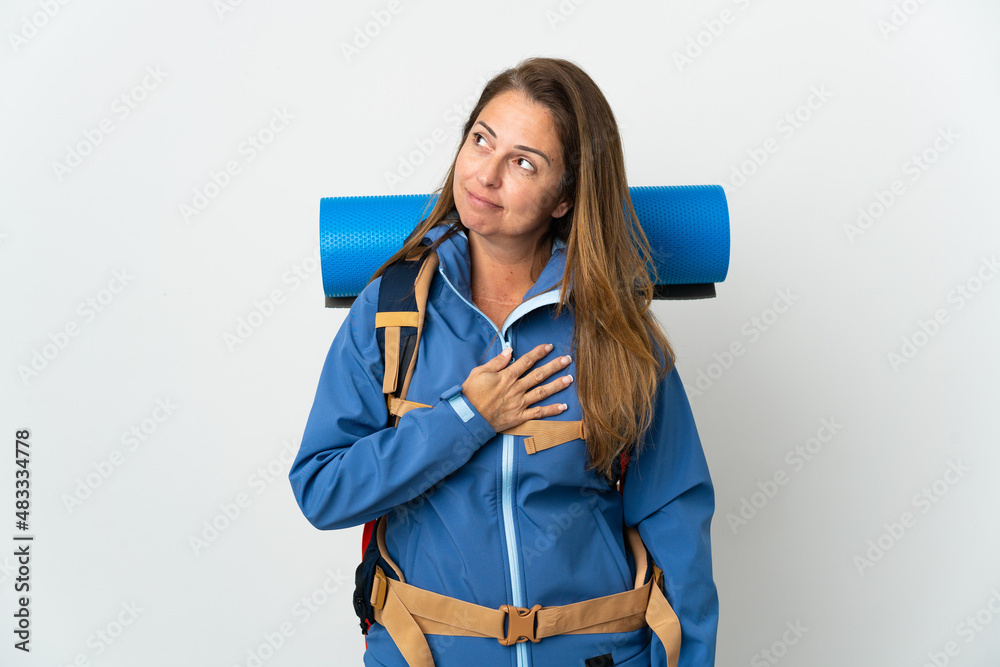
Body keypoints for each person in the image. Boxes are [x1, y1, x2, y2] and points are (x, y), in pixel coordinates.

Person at [289, 57, 718, 667]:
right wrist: (465, 417)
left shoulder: (617, 331)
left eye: (523, 162)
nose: (485, 174)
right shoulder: (391, 313)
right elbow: (322, 490)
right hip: (425, 653)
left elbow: (676, 519)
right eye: (481, 140)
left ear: (564, 198)